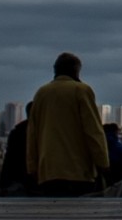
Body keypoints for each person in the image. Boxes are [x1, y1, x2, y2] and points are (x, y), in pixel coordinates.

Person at [26, 52, 109, 196]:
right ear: (76, 70)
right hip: (78, 170)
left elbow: (33, 134)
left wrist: (32, 167)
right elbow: (93, 131)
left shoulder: (42, 93)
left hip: (48, 171)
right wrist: (103, 163)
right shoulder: (81, 91)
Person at [0, 102, 35, 196]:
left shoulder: (17, 131)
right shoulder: (44, 131)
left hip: (18, 180)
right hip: (35, 179)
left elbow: (9, 158)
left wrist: (4, 182)